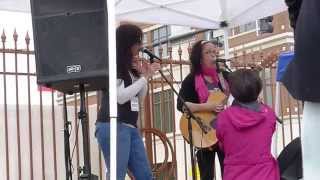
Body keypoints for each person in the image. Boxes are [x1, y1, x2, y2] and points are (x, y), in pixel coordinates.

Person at [95, 24, 160, 180]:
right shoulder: (114, 66)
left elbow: (139, 99)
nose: (140, 46)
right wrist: (145, 78)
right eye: (137, 42)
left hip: (130, 127)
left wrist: (143, 76)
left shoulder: (130, 67)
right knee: (117, 175)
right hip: (113, 125)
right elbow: (121, 97)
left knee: (145, 175)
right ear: (127, 43)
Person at [177, 40, 230, 180]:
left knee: (229, 173)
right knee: (207, 175)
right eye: (208, 52)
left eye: (215, 52)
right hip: (203, 130)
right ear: (199, 58)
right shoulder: (191, 79)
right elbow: (180, 104)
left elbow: (243, 87)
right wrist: (209, 107)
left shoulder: (223, 76)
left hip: (223, 131)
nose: (213, 55)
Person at [216, 69, 280, 180]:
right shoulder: (269, 114)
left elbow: (222, 144)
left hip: (235, 175)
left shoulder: (224, 117)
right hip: (265, 174)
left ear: (233, 91)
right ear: (258, 88)